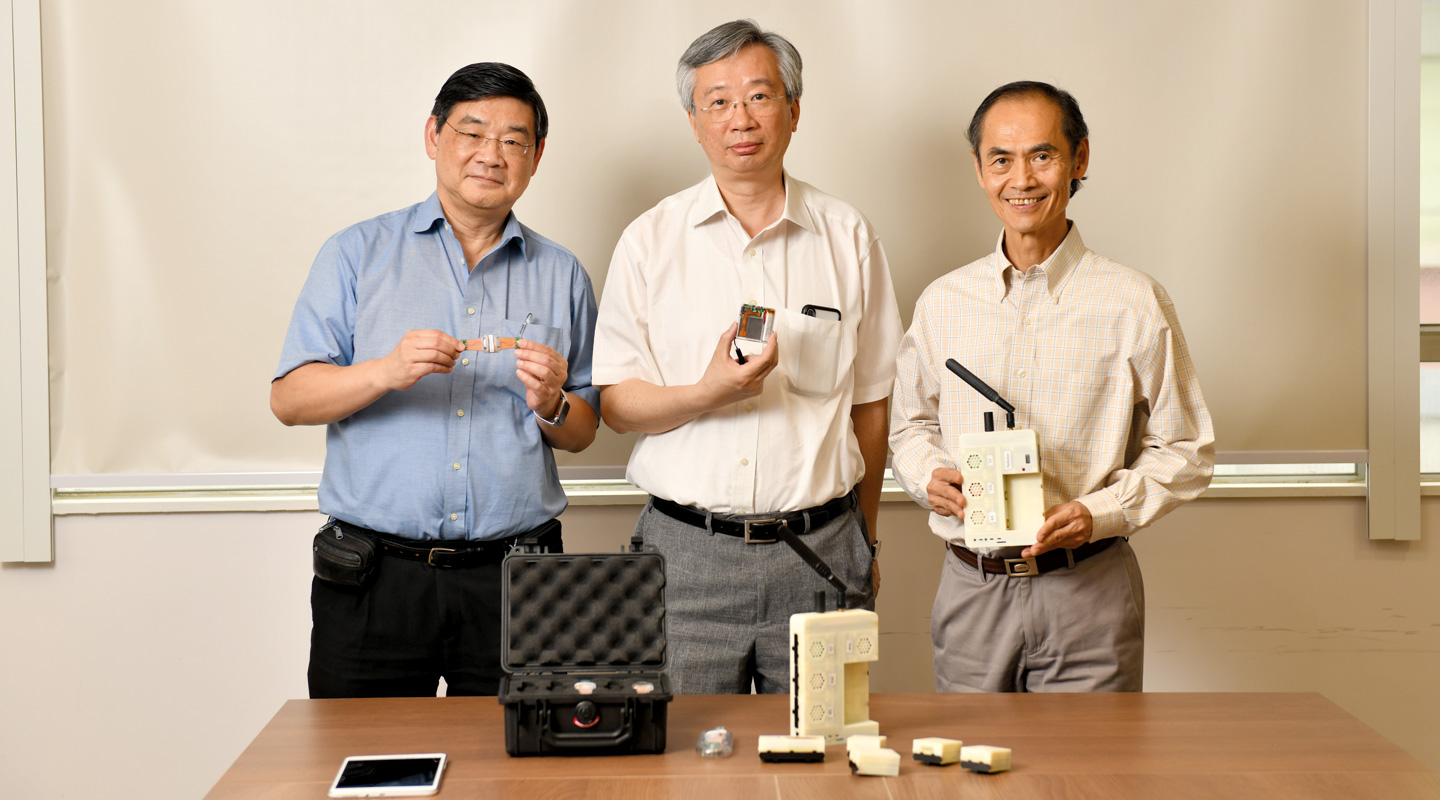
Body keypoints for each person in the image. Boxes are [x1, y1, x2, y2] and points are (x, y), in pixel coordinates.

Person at [592, 19, 903, 694]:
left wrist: (865, 540)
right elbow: (616, 404)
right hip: (686, 556)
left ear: (793, 111)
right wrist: (707, 391)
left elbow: (872, 404)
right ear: (693, 120)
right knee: (686, 771)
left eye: (760, 97)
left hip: (821, 553)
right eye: (719, 101)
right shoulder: (649, 240)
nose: (741, 118)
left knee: (826, 764)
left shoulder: (848, 235)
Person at [270, 62, 599, 698]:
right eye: (471, 133)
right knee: (363, 771)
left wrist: (551, 402)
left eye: (513, 140)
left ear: (535, 158)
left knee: (523, 779)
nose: (491, 154)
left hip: (520, 578)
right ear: (433, 137)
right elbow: (288, 399)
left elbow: (583, 433)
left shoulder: (563, 274)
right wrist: (386, 371)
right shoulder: (355, 253)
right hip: (372, 577)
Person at [889, 81, 1214, 693]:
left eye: (1042, 156)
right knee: (971, 778)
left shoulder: (1133, 301)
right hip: (971, 588)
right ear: (980, 171)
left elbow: (1187, 448)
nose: (1022, 179)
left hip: (1088, 588)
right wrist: (926, 473)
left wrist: (1101, 513)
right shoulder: (943, 302)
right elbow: (910, 424)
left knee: (1087, 783)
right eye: (1001, 159)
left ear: (1079, 160)